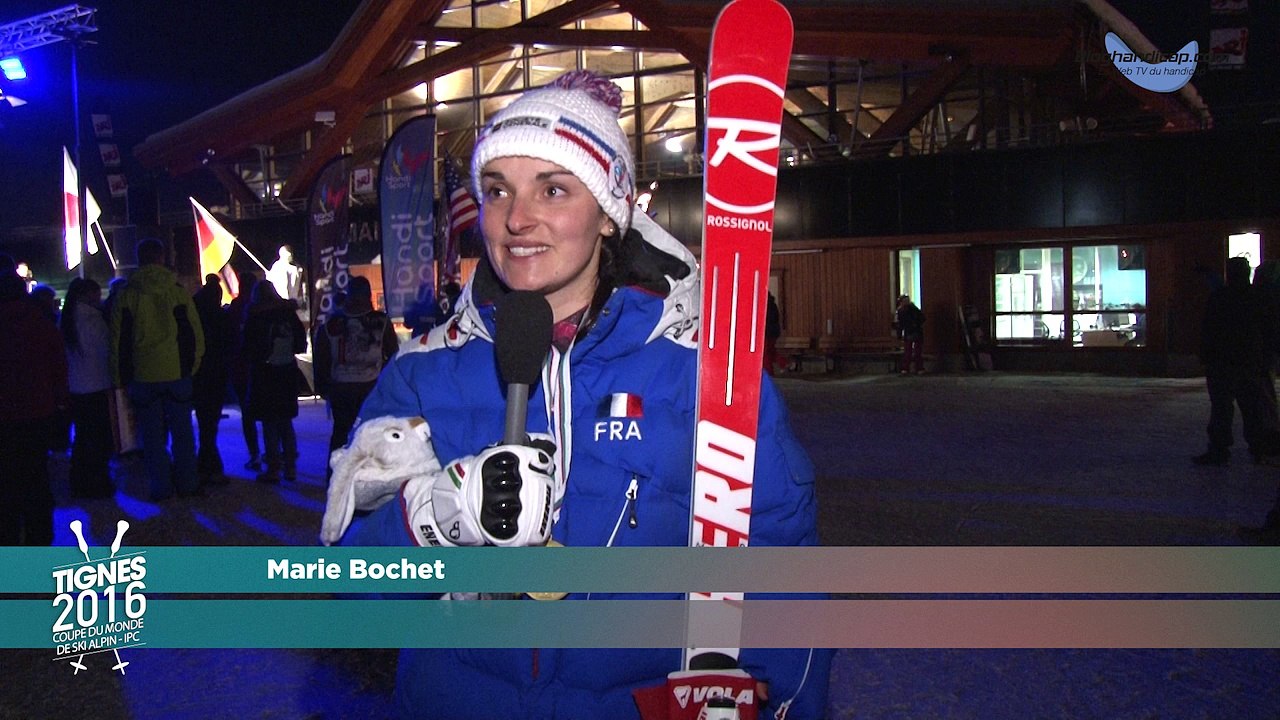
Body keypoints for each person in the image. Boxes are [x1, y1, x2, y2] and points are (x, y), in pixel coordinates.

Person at [323, 71, 830, 719]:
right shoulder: (425, 370)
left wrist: (781, 704)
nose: (516, 219)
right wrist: (430, 519)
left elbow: (782, 576)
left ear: (609, 211)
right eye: (497, 190)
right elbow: (346, 580)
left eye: (553, 189)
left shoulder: (697, 370)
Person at [109, 238, 205, 500]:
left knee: (151, 438)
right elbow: (194, 334)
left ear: (139, 259)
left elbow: (118, 341)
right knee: (183, 433)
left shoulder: (127, 294)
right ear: (161, 258)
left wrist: (120, 378)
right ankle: (187, 483)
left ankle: (160, 487)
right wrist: (191, 367)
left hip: (143, 376)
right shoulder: (177, 291)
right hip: (177, 373)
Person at [0, 271, 68, 544]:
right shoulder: (38, 322)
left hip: (4, 416)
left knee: (5, 484)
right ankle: (38, 544)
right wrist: (60, 405)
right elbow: (57, 366)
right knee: (36, 479)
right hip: (37, 412)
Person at [1192, 256, 1278, 466]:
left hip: (1222, 362)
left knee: (1222, 408)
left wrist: (1206, 355)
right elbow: (1268, 329)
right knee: (1251, 407)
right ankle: (1258, 447)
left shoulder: (1221, 297)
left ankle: (1220, 449)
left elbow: (1209, 329)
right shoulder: (1256, 298)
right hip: (1249, 361)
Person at [312, 274, 398, 472]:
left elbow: (322, 358)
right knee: (370, 433)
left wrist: (323, 386)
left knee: (342, 433)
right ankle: (367, 475)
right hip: (370, 385)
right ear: (368, 295)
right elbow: (393, 354)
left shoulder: (332, 324)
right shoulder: (380, 321)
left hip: (342, 386)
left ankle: (336, 475)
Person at [241, 280, 306, 483]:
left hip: (265, 372)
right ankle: (290, 466)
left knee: (269, 422)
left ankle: (273, 467)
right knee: (285, 421)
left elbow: (248, 346)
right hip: (287, 370)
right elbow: (300, 342)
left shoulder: (255, 315)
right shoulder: (288, 313)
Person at [60, 277, 116, 498]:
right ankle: (98, 480)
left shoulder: (68, 320)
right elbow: (104, 352)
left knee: (83, 436)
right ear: (86, 295)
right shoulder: (93, 319)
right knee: (100, 438)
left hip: (76, 386)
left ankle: (79, 479)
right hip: (97, 385)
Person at [192, 273, 231, 486]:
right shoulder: (221, 317)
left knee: (204, 420)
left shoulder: (196, 314)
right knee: (210, 423)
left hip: (198, 373)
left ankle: (205, 463)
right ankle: (209, 464)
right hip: (215, 374)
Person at [228, 271, 264, 470]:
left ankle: (255, 454)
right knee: (269, 414)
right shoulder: (262, 309)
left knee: (247, 414)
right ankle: (274, 453)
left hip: (241, 367)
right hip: (260, 365)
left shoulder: (236, 308)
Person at [266, 244, 306, 319]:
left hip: (291, 301)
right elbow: (270, 282)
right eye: (287, 253)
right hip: (281, 302)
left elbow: (303, 284)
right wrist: (269, 275)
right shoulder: (277, 266)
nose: (290, 255)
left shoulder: (298, 268)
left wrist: (304, 298)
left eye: (290, 253)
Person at [894, 294, 926, 375]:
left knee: (913, 351)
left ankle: (910, 368)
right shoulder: (906, 310)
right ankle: (916, 368)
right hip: (913, 331)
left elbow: (900, 324)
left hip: (912, 331)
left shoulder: (907, 310)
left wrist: (899, 334)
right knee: (910, 351)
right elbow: (900, 324)